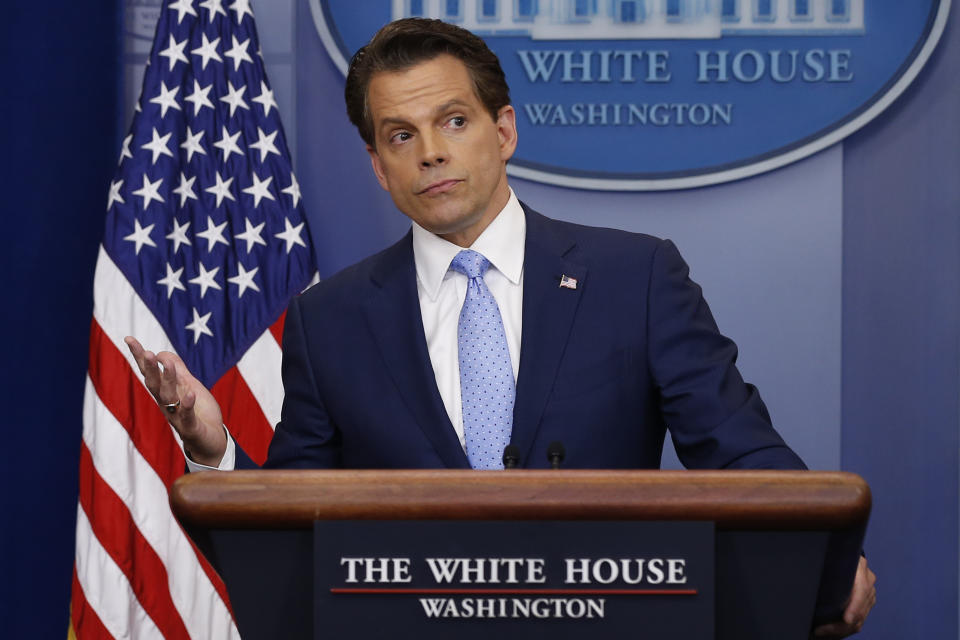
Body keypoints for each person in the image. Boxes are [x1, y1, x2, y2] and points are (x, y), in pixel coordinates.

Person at [125, 18, 875, 636]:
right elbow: (294, 531)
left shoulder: (634, 277)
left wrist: (821, 560)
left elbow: (743, 456)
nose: (432, 153)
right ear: (379, 167)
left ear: (504, 129)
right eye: (400, 135)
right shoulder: (330, 319)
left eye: (453, 120)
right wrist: (214, 451)